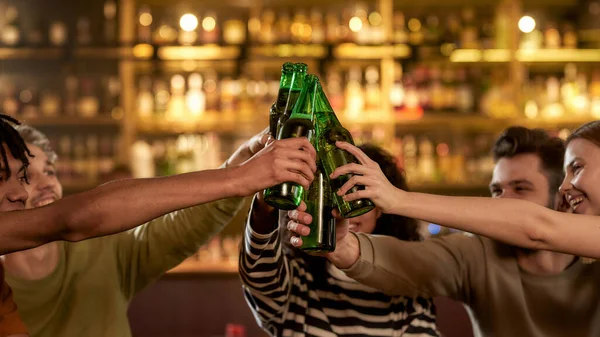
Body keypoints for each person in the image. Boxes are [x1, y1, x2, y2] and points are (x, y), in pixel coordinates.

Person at [0, 114, 316, 336]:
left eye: (47, 171)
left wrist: (241, 161)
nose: (40, 185)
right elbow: (78, 217)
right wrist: (243, 176)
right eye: (9, 177)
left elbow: (188, 223)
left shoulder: (104, 252)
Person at [288, 126, 600, 337]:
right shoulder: (479, 255)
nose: (503, 204)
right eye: (496, 191)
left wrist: (397, 199)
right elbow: (410, 260)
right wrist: (343, 246)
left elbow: (536, 226)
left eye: (520, 189)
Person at [240, 144, 440, 337]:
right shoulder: (298, 282)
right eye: (332, 195)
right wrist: (266, 199)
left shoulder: (407, 288)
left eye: (357, 194)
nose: (345, 210)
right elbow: (258, 270)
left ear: (380, 208)